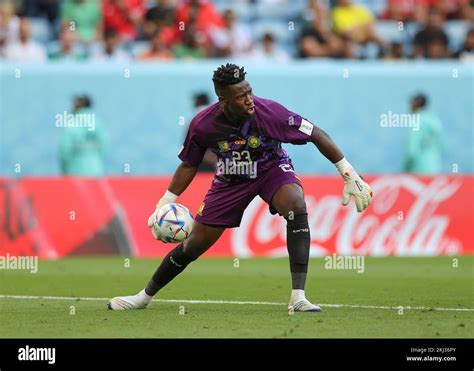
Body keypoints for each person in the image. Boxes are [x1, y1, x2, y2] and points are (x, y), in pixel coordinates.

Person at [108, 64, 373, 313]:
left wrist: (348, 173)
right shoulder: (202, 124)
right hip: (231, 179)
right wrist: (165, 201)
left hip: (271, 169)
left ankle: (298, 297)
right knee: (193, 246)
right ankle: (144, 297)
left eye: (249, 92)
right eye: (240, 96)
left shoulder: (270, 112)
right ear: (223, 100)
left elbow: (316, 133)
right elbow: (189, 164)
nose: (249, 99)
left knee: (296, 205)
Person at [59, 95, 108, 176]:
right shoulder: (98, 123)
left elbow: (64, 152)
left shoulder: (71, 124)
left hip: (74, 173)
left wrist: (63, 172)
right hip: (96, 171)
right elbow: (105, 148)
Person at [403, 93, 444, 175]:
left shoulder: (417, 121)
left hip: (418, 169)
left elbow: (412, 150)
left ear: (415, 104)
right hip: (435, 168)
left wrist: (405, 168)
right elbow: (441, 146)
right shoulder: (434, 120)